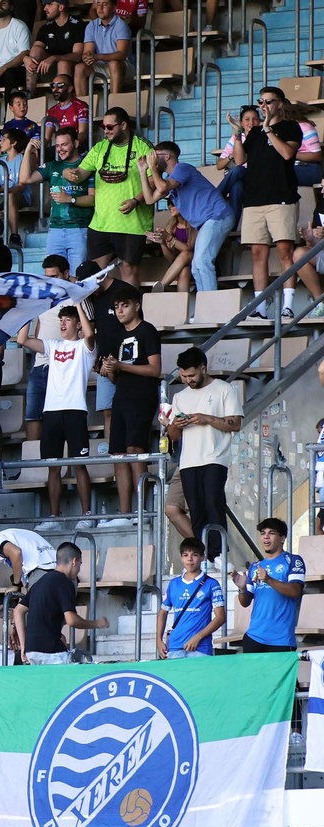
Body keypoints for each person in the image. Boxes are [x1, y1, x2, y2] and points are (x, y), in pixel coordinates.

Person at [234, 91, 323, 318]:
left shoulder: (290, 127)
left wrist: (267, 129)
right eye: (260, 101)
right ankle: (260, 306)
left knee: (285, 251)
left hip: (281, 197)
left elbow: (287, 154)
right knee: (257, 253)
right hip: (254, 198)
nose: (263, 105)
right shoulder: (253, 133)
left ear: (279, 104)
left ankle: (288, 304)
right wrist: (237, 135)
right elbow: (239, 160)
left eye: (268, 101)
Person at [15, 303, 95, 527]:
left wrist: (78, 303)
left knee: (79, 464)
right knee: (53, 466)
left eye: (67, 320)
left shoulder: (83, 347)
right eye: (61, 320)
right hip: (51, 412)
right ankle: (54, 517)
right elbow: (22, 341)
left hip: (75, 410)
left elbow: (89, 334)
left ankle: (87, 515)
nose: (62, 323)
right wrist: (29, 313)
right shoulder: (53, 345)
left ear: (77, 324)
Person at [167, 347, 243, 563]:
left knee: (213, 502)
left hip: (215, 457)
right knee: (196, 510)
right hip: (188, 460)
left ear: (203, 368)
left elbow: (235, 423)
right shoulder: (180, 397)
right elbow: (172, 436)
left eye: (191, 375)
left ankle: (219, 553)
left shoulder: (224, 389)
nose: (188, 380)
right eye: (183, 376)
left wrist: (207, 418)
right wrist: (175, 424)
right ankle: (205, 555)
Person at [67, 107, 152, 286]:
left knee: (128, 270)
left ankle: (133, 310)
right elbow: (81, 173)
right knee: (93, 273)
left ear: (123, 125)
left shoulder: (142, 146)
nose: (106, 130)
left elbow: (153, 182)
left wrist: (136, 200)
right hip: (101, 223)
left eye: (110, 126)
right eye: (103, 126)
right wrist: (71, 174)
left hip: (132, 224)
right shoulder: (100, 147)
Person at [95, 291, 159, 524]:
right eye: (117, 306)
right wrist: (110, 369)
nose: (120, 310)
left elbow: (154, 369)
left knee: (135, 451)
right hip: (120, 397)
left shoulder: (147, 330)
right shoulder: (116, 335)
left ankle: (141, 512)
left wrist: (121, 365)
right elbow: (114, 378)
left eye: (125, 305)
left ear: (137, 306)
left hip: (142, 398)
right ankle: (124, 513)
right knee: (118, 454)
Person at [139, 141, 236, 294]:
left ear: (167, 156)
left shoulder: (182, 168)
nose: (153, 159)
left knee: (202, 262)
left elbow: (162, 187)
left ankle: (212, 307)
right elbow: (150, 199)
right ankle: (204, 307)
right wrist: (143, 172)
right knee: (196, 266)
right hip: (207, 222)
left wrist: (153, 168)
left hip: (217, 216)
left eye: (156, 156)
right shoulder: (170, 179)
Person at [13, 541, 107, 664]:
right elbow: (71, 620)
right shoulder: (64, 582)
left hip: (32, 652)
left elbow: (18, 610)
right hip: (51, 651)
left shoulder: (38, 583)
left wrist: (24, 645)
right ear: (74, 561)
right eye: (80, 564)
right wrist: (96, 623)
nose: (79, 569)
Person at [20, 126, 93, 271]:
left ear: (76, 144)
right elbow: (25, 178)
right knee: (53, 276)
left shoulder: (87, 166)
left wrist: (70, 199)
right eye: (58, 145)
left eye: (64, 144)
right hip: (55, 230)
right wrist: (28, 151)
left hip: (79, 229)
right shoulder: (53, 166)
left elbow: (93, 199)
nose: (60, 149)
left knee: (77, 276)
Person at [233, 518, 306, 653]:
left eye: (271, 533)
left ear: (282, 538)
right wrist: (242, 588)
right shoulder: (255, 566)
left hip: (281, 640)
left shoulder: (293, 561)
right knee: (253, 675)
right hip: (253, 637)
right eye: (262, 533)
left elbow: (295, 591)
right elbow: (245, 602)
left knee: (279, 675)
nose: (266, 537)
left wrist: (268, 579)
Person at [156, 538, 226, 659]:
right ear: (181, 558)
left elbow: (221, 617)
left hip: (200, 648)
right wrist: (158, 640)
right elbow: (163, 612)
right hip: (174, 647)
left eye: (194, 555)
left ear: (202, 557)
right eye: (185, 555)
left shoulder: (211, 584)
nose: (189, 559)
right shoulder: (173, 584)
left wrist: (198, 637)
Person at [24, 0, 85, 91]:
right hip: (48, 69)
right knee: (36, 50)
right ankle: (29, 94)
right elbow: (35, 50)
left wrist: (54, 58)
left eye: (49, 4)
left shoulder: (78, 25)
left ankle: (63, 103)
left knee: (63, 63)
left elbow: (77, 55)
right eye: (45, 4)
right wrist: (26, 58)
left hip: (71, 70)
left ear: (61, 7)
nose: (45, 8)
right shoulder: (46, 27)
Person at [78, 0, 132, 99]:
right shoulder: (91, 25)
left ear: (114, 7)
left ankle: (114, 104)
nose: (100, 8)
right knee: (79, 68)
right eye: (98, 4)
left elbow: (122, 55)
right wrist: (87, 57)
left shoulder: (121, 25)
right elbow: (87, 51)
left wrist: (97, 57)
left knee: (114, 64)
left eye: (105, 4)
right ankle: (82, 109)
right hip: (101, 66)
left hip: (124, 66)